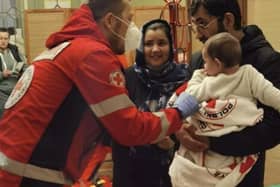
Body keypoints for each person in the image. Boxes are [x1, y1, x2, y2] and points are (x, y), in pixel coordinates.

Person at [0, 1, 199, 187]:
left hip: (17, 170)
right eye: (129, 20)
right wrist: (179, 112)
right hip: (30, 175)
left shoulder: (66, 47)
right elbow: (129, 127)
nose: (133, 29)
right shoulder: (92, 54)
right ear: (111, 21)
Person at [175, 0, 280, 187]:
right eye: (194, 25)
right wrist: (178, 129)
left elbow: (273, 128)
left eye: (202, 23)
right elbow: (183, 101)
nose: (198, 33)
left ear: (228, 20)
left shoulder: (266, 61)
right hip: (196, 173)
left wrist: (213, 142)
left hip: (241, 177)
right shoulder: (199, 60)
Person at [112, 19, 190, 187]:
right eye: (148, 44)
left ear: (171, 46)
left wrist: (174, 143)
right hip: (135, 175)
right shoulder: (127, 78)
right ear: (141, 47)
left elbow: (194, 124)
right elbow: (119, 127)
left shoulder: (185, 78)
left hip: (177, 174)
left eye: (161, 43)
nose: (155, 49)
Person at [0, 27, 27, 117]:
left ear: (9, 39)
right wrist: (2, 74)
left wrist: (23, 70)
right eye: (0, 38)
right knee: (6, 115)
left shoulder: (14, 50)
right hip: (2, 90)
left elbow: (25, 65)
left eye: (5, 38)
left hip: (17, 87)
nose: (3, 41)